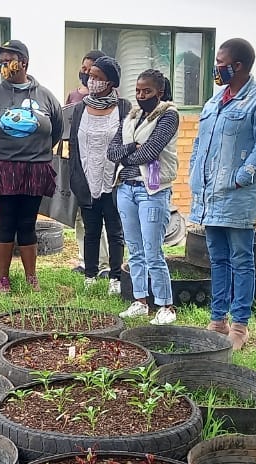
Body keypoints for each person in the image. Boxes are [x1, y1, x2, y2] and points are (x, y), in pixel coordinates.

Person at [189, 38, 256, 350]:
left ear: (237, 65)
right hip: (209, 196)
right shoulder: (214, 102)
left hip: (238, 196)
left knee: (241, 259)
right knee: (217, 258)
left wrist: (243, 176)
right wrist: (194, 175)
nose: (216, 67)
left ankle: (239, 326)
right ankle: (217, 319)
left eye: (220, 61)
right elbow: (199, 144)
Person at [0, 40, 63, 293]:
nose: (4, 65)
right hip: (3, 169)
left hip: (35, 169)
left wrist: (35, 150)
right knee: (6, 222)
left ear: (24, 63)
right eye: (1, 61)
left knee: (28, 223)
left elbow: (56, 130)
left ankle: (31, 276)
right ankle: (2, 278)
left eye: (9, 59)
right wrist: (2, 152)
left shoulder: (45, 96)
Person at [109, 69, 181, 326]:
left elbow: (151, 151)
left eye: (147, 91)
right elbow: (111, 151)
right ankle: (140, 301)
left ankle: (166, 306)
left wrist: (127, 156)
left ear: (159, 93)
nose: (141, 96)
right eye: (138, 91)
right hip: (126, 188)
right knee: (135, 249)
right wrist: (130, 149)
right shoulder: (131, 115)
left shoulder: (169, 115)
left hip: (152, 190)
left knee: (153, 251)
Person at [67, 56, 129, 296]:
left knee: (115, 231)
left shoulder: (123, 108)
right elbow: (74, 146)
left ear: (111, 82)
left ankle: (115, 276)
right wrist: (76, 179)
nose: (91, 81)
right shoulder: (81, 108)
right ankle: (90, 275)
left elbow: (129, 142)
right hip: (86, 179)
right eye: (90, 76)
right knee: (90, 231)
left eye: (97, 78)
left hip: (114, 181)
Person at [66, 50, 111, 276]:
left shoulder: (113, 103)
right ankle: (85, 261)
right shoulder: (74, 97)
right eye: (83, 69)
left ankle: (104, 264)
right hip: (79, 167)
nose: (85, 74)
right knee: (81, 218)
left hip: (103, 170)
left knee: (100, 220)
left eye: (90, 71)